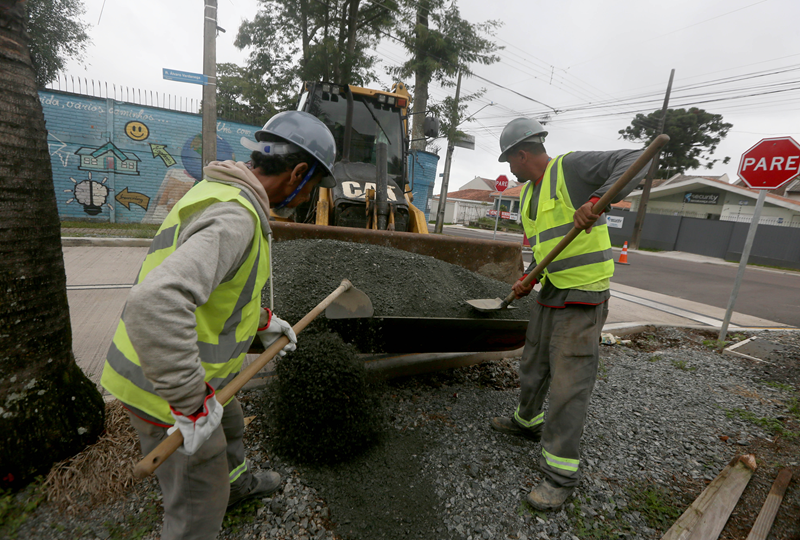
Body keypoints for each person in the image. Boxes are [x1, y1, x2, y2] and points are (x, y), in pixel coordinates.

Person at [101, 111, 337, 540]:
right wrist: (190, 404)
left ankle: (237, 486)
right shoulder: (236, 217)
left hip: (191, 371)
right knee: (197, 510)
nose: (307, 198)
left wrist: (263, 322)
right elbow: (155, 302)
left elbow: (221, 290)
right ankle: (209, 505)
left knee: (229, 421)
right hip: (164, 387)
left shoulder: (217, 190)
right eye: (313, 187)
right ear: (298, 173)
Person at [490, 118, 649, 511]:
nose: (509, 169)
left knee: (568, 384)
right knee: (533, 363)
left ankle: (560, 475)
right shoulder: (529, 194)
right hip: (552, 289)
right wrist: (529, 276)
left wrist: (596, 201)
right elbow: (548, 246)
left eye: (508, 161)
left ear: (521, 155)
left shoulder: (570, 168)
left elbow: (638, 159)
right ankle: (527, 421)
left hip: (584, 294)